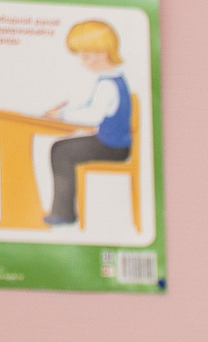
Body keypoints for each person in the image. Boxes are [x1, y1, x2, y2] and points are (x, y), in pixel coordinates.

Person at [43, 19, 133, 229]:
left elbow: (93, 115)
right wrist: (67, 109)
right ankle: (63, 213)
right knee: (63, 148)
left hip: (112, 147)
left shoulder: (107, 85)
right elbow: (92, 107)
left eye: (86, 56)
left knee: (61, 150)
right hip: (113, 143)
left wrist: (62, 114)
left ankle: (64, 214)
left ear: (102, 53)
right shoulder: (113, 78)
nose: (82, 62)